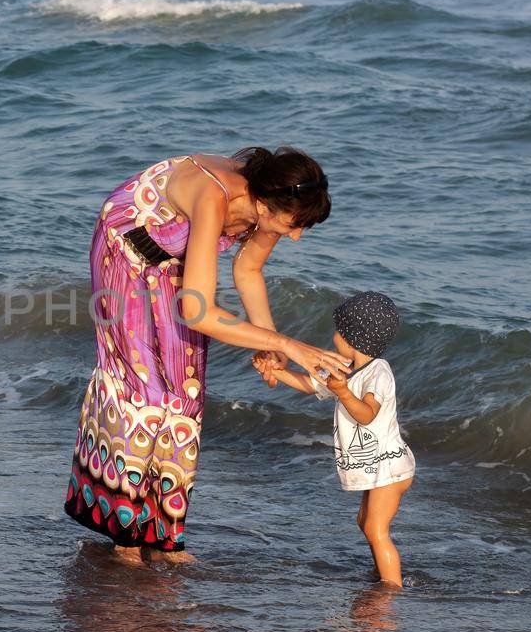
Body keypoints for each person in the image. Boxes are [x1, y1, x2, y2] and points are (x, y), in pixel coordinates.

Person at [64, 146, 348, 566]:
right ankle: (124, 534)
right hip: (124, 250)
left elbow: (248, 271)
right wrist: (288, 343)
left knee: (186, 390)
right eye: (294, 225)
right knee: (146, 391)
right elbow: (197, 311)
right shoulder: (214, 194)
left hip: (171, 259)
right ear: (266, 203)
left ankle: (163, 535)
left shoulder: (272, 201)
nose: (296, 236)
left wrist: (267, 344)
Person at [269, 291, 415, 586]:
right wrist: (275, 370)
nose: (334, 336)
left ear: (353, 337)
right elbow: (310, 385)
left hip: (389, 467)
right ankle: (381, 575)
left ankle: (391, 591)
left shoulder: (378, 372)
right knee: (365, 524)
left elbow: (368, 414)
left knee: (376, 529)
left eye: (338, 330)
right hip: (375, 467)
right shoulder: (344, 369)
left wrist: (345, 392)